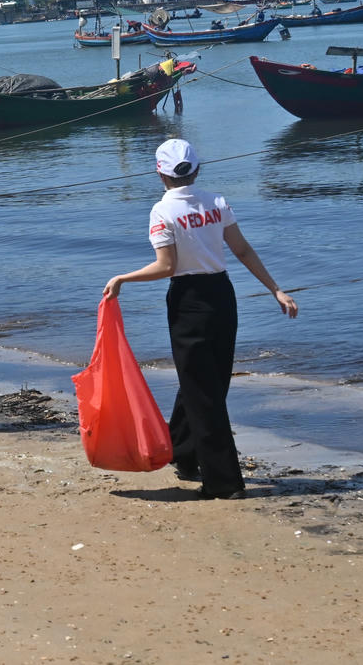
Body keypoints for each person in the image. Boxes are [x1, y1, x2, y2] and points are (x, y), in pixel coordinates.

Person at [103, 139, 298, 500]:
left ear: (159, 173)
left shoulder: (162, 211)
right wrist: (276, 289)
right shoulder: (217, 201)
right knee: (208, 382)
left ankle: (224, 482)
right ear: (197, 169)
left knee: (202, 390)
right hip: (222, 296)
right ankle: (184, 454)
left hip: (189, 301)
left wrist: (122, 278)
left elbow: (167, 266)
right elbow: (241, 249)